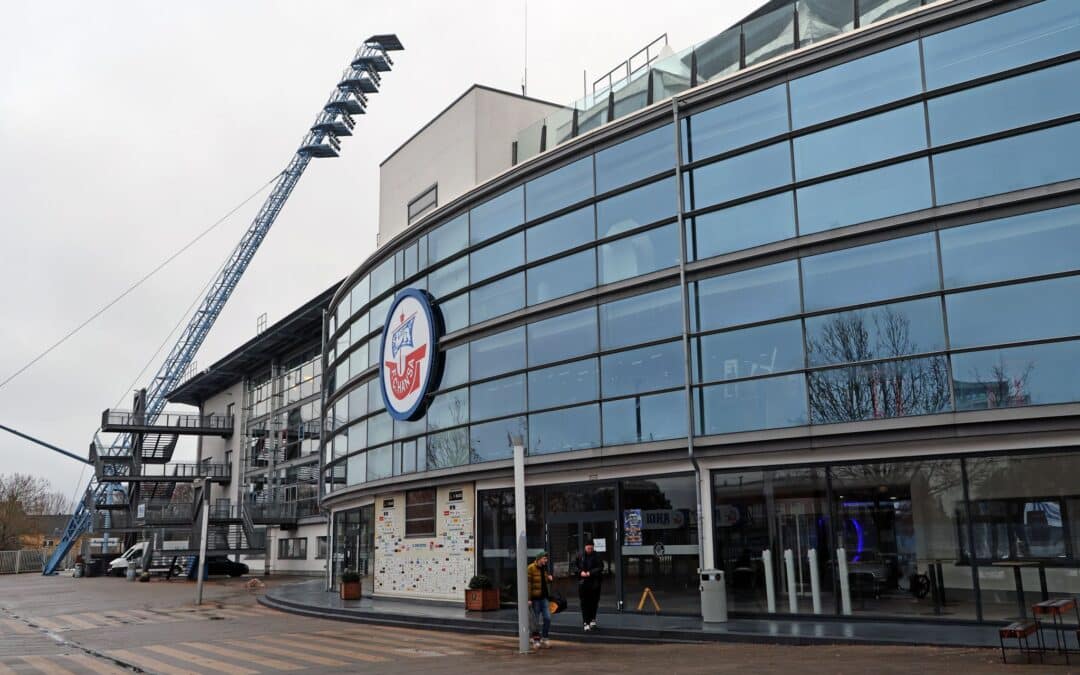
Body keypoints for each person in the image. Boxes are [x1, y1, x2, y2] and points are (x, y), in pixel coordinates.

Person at [574, 538, 604, 631]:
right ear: (585, 547)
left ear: (593, 547)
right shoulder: (580, 555)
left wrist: (590, 573)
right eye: (588, 548)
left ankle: (592, 619)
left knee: (594, 602)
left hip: (594, 583)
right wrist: (580, 572)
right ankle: (585, 622)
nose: (589, 550)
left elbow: (600, 567)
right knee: (584, 603)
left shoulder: (597, 556)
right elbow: (574, 567)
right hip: (583, 583)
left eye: (591, 548)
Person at [527, 551, 554, 649]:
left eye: (546, 559)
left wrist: (549, 579)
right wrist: (529, 598)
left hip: (544, 598)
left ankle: (545, 638)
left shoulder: (544, 568)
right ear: (539, 559)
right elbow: (528, 585)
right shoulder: (530, 568)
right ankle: (536, 640)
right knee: (535, 620)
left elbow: (543, 581)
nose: (546, 560)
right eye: (544, 559)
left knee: (547, 618)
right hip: (535, 599)